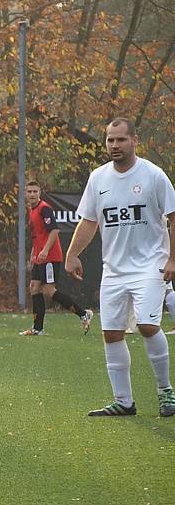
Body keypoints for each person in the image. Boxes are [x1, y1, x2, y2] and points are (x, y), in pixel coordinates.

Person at [65, 117, 175, 417]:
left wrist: (172, 259)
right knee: (111, 333)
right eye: (110, 140)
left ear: (134, 141)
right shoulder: (98, 178)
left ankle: (166, 392)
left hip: (150, 265)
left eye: (120, 139)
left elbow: (174, 216)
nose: (114, 145)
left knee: (147, 325)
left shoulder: (153, 175)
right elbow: (89, 221)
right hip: (113, 269)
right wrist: (72, 253)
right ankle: (123, 401)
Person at [19, 180, 93, 336]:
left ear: (40, 193)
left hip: (50, 257)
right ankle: (37, 328)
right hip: (40, 256)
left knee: (49, 290)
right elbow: (38, 234)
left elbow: (54, 231)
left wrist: (45, 250)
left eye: (35, 191)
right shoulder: (31, 210)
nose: (32, 194)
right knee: (34, 287)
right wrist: (34, 251)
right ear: (25, 194)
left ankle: (83, 313)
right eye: (29, 191)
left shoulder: (45, 209)